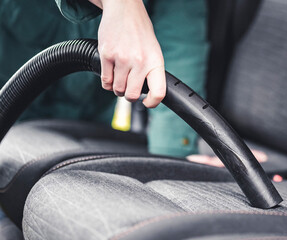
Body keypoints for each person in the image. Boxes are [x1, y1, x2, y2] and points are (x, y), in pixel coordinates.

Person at [0, 0, 209, 157]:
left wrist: (172, 157)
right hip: (8, 110)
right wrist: (123, 6)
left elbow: (181, 48)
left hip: (86, 125)